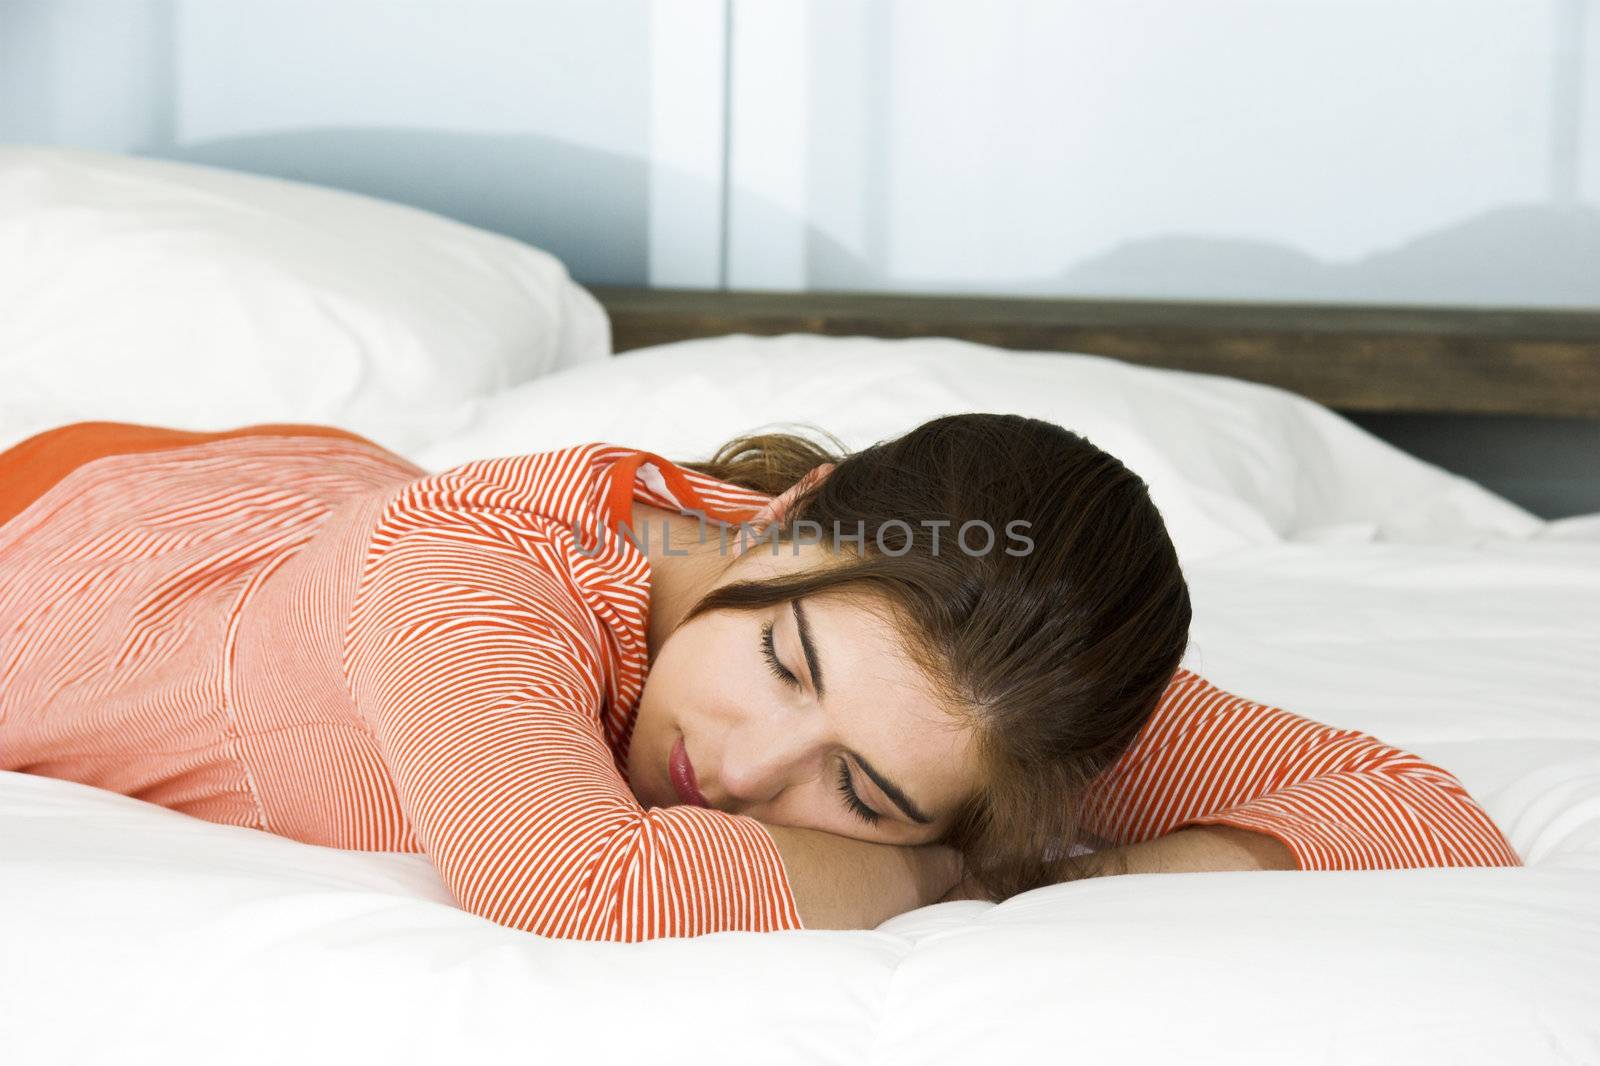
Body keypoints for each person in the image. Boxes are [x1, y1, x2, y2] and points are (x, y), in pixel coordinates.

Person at [0, 414, 1520, 941]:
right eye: (784, 657)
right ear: (789, 523)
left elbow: (1422, 814)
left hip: (308, 514)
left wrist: (1100, 847)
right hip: (70, 533)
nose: (739, 769)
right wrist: (967, 869)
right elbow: (581, 884)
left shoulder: (986, 677)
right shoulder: (462, 561)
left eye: (855, 786)